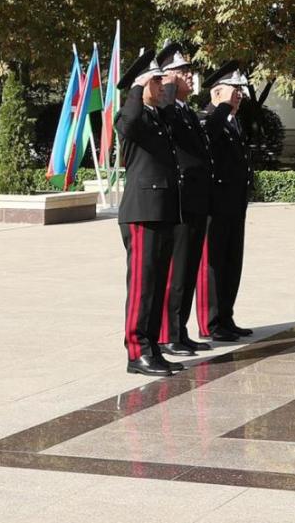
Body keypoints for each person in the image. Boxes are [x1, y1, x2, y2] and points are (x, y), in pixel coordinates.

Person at [115, 49, 183, 377]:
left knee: (156, 284)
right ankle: (136, 351)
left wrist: (166, 86)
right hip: (142, 212)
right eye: (156, 81)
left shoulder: (157, 118)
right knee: (142, 285)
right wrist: (137, 88)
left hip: (163, 210)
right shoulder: (132, 118)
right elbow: (129, 120)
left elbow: (172, 111)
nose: (161, 86)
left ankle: (152, 347)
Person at [154, 42, 213, 357]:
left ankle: (181, 329)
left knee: (188, 270)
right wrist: (165, 87)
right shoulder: (166, 107)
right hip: (178, 200)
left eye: (190, 71)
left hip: (195, 200)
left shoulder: (186, 111)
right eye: (184, 72)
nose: (191, 77)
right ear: (167, 77)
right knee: (174, 271)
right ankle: (168, 333)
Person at [196, 62, 254, 342]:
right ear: (217, 93)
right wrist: (220, 107)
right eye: (233, 91)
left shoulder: (233, 121)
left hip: (234, 204)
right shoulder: (207, 117)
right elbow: (208, 139)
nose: (238, 96)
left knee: (232, 263)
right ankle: (210, 322)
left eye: (240, 92)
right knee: (212, 265)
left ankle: (226, 317)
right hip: (214, 206)